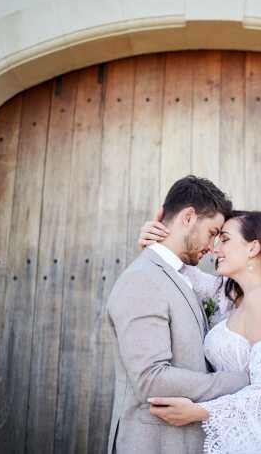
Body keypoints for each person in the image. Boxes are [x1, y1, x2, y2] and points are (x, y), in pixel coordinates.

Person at [139, 208, 261, 454]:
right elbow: (182, 273)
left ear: (253, 248)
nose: (216, 249)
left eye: (224, 239)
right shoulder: (235, 295)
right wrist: (158, 242)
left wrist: (200, 412)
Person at [105, 176, 250, 454]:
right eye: (212, 232)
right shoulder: (143, 279)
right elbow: (151, 378)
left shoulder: (184, 278)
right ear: (188, 217)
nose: (212, 247)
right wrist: (243, 381)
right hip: (154, 445)